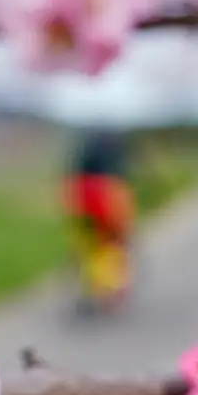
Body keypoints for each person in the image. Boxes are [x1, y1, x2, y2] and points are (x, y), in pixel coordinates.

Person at [65, 129, 137, 314]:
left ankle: (98, 288)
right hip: (106, 204)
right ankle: (109, 288)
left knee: (89, 251)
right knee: (111, 249)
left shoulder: (80, 175)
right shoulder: (113, 177)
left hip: (84, 205)